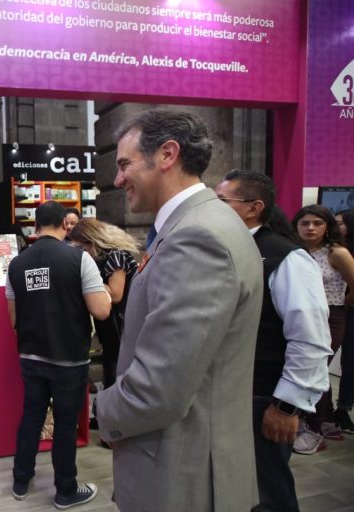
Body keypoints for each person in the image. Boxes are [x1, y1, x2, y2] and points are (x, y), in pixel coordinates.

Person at [92, 110, 264, 511]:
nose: (117, 180)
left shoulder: (197, 237)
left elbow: (161, 388)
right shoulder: (196, 225)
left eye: (124, 164)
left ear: (167, 154)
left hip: (184, 473)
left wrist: (100, 409)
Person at [216, 170, 332, 510]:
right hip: (230, 391)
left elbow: (310, 338)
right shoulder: (232, 248)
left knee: (266, 490)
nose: (213, 209)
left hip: (263, 394)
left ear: (254, 207)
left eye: (222, 202)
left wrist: (286, 405)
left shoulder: (288, 258)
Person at [6, 200, 111, 509]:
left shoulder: (16, 263)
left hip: (31, 356)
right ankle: (65, 491)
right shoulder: (79, 259)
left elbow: (12, 319)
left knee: (31, 417)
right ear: (65, 225)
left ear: (35, 226)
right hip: (69, 359)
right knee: (65, 425)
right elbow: (101, 311)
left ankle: (20, 481)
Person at [291, 204, 354, 450]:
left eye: (317, 223)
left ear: (327, 226)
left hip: (331, 316)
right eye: (304, 223)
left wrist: (338, 303)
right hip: (299, 314)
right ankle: (323, 421)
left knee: (315, 369)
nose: (310, 228)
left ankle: (314, 428)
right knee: (305, 368)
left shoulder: (337, 252)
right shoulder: (295, 250)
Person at [69, 218, 139, 390]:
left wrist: (89, 281)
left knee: (115, 363)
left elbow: (116, 294)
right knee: (111, 360)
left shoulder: (115, 255)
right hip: (112, 321)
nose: (82, 251)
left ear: (91, 241)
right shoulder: (107, 256)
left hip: (119, 320)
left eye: (83, 246)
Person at [334, 209, 354, 433]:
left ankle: (343, 407)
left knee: (350, 364)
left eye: (340, 222)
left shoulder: (342, 253)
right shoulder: (330, 249)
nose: (336, 226)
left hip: (346, 310)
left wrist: (343, 301)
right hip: (336, 312)